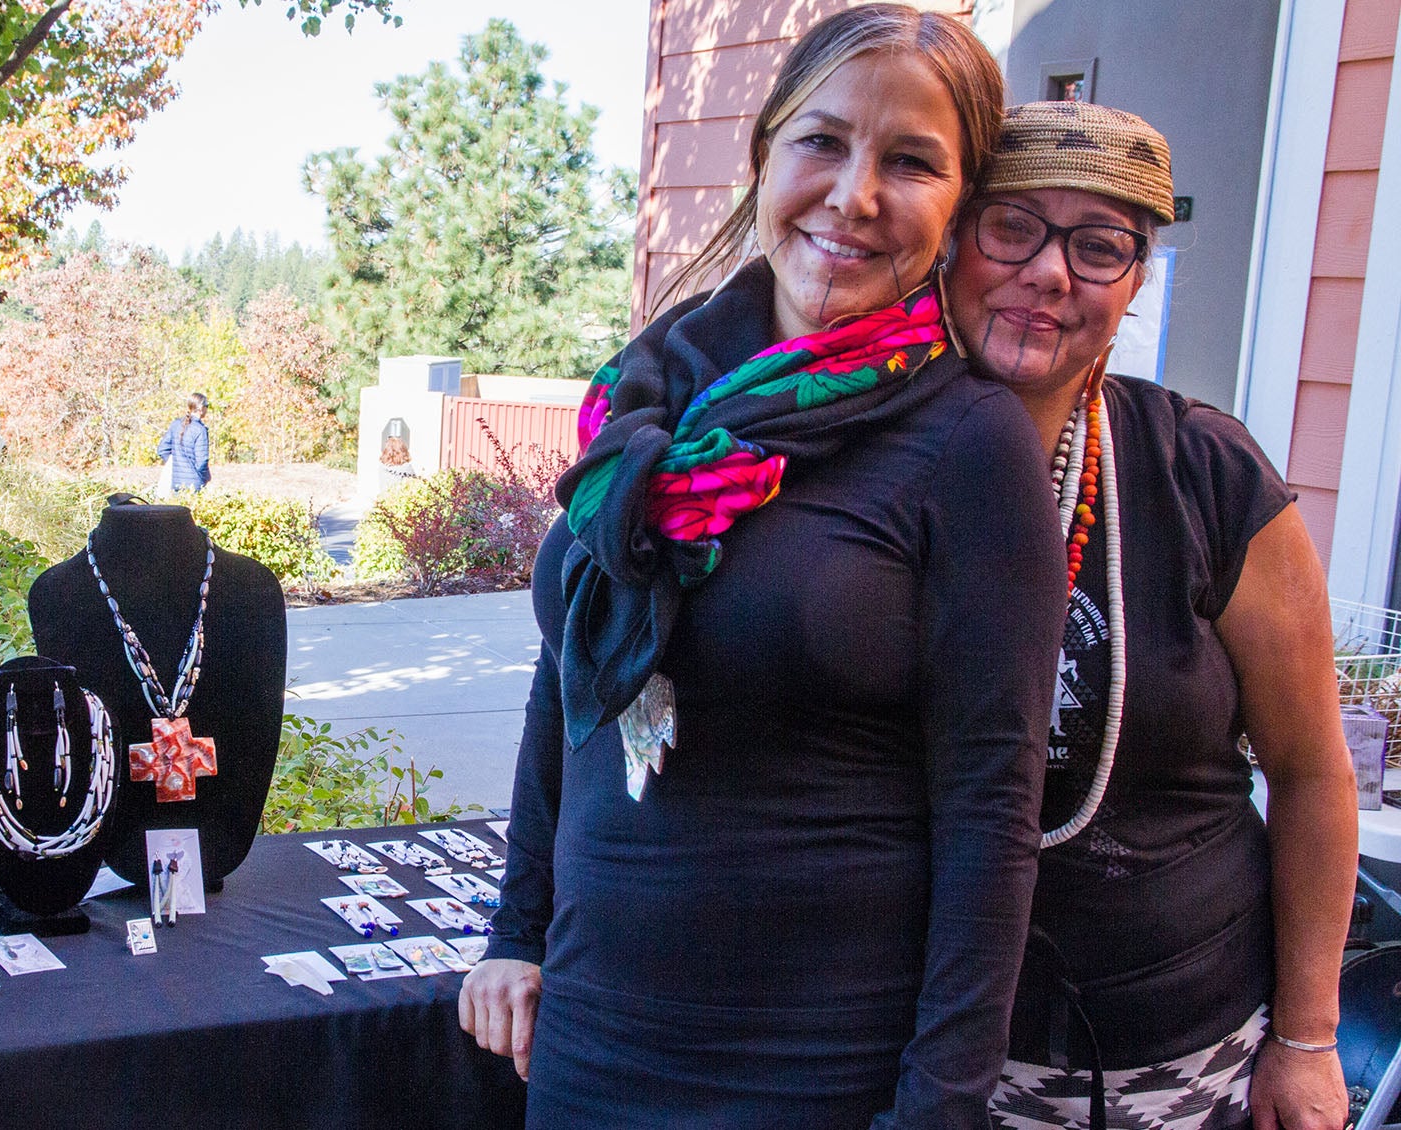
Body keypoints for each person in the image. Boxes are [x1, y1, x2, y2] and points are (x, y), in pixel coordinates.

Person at [458, 7, 1065, 1126]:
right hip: (592, 1037)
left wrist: (935, 1109)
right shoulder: (648, 397)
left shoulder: (968, 443)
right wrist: (515, 929)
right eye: (822, 142)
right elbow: (570, 676)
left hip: (810, 1065)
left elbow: (991, 814)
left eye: (910, 162)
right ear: (764, 153)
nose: (854, 195)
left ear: (958, 203)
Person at [938, 102, 1357, 1130]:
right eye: (1011, 226)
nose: (1048, 272)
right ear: (950, 242)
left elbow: (1308, 771)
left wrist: (1306, 1036)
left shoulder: (1201, 469)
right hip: (909, 1032)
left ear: (1132, 284)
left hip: (1170, 1053)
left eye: (1098, 246)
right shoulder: (869, 459)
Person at [156, 392, 211, 494]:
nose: (207, 409)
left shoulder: (176, 424)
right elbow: (202, 461)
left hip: (176, 483)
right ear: (200, 408)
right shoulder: (200, 430)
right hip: (195, 486)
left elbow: (162, 449)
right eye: (207, 406)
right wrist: (204, 478)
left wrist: (177, 463)